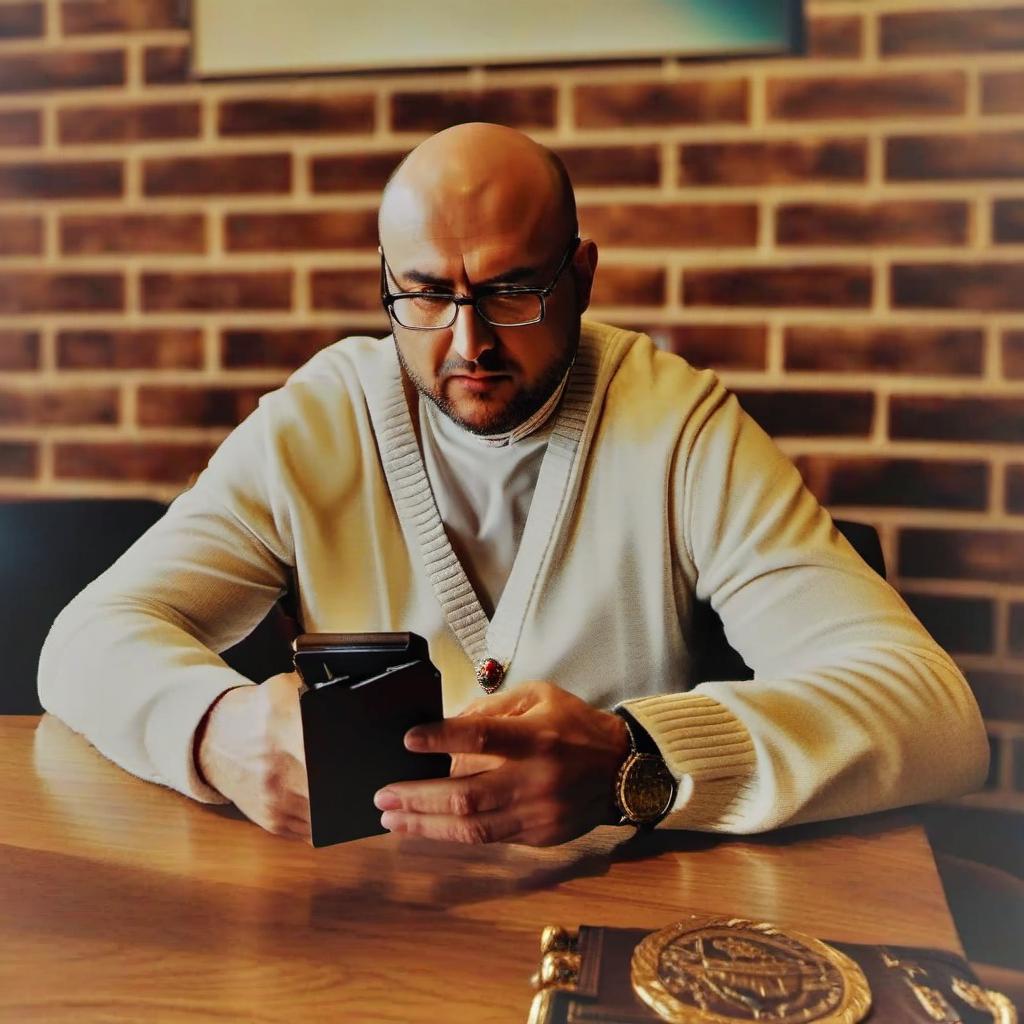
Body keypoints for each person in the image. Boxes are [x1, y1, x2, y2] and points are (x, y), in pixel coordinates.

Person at [38, 123, 988, 846]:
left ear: (581, 275)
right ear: (384, 280)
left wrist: (635, 760)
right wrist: (217, 729)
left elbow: (935, 716)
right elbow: (86, 640)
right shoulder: (319, 419)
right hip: (368, 934)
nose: (467, 344)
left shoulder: (678, 427)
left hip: (613, 925)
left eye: (508, 291)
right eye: (424, 294)